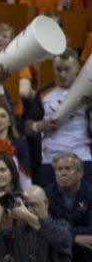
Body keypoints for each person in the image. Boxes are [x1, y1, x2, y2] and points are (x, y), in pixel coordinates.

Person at [26, 50, 92, 185]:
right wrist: (39, 126)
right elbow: (27, 127)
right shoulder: (44, 93)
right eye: (58, 69)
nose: (62, 74)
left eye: (67, 69)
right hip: (52, 157)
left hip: (81, 155)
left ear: (77, 68)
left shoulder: (88, 93)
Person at [45, 152, 92, 262]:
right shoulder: (48, 193)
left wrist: (64, 233)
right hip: (59, 245)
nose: (63, 173)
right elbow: (46, 227)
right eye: (59, 169)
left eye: (68, 169)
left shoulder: (90, 192)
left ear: (80, 173)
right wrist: (74, 237)